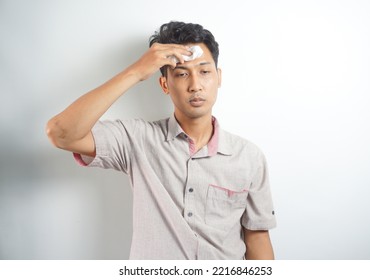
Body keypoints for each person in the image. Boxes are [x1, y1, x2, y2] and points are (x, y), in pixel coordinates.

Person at [46, 21, 276, 260]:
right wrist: (136, 72)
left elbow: (257, 238)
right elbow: (61, 133)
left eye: (204, 72)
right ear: (165, 84)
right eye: (182, 74)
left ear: (218, 78)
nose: (195, 85)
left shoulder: (249, 157)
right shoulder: (136, 139)